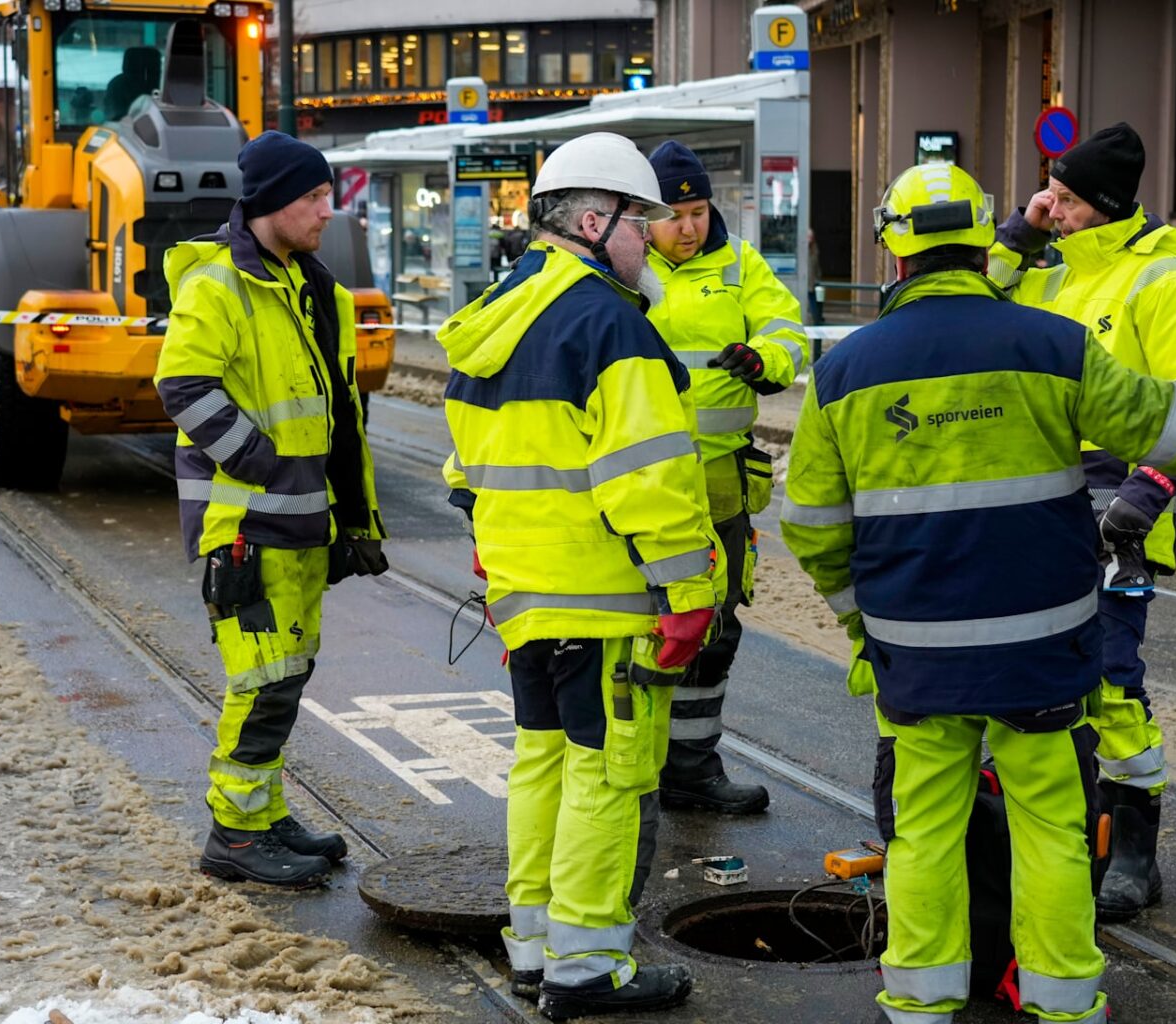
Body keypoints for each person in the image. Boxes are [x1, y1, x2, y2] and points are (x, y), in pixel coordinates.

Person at [781, 160, 1176, 1024]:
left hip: (918, 651)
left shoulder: (845, 372)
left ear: (892, 252)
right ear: (986, 243)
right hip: (1044, 647)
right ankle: (1061, 1003)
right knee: (1053, 824)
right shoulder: (1052, 345)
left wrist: (861, 622)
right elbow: (1173, 427)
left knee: (923, 829)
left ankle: (918, 1001)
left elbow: (812, 526)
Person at [440, 131, 722, 1020]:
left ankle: (533, 948)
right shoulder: (607, 320)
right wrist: (689, 593)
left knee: (542, 766)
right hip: (606, 600)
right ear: (595, 221)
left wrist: (505, 566)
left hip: (526, 597)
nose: (655, 241)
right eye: (643, 222)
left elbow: (466, 472)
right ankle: (588, 967)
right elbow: (653, 480)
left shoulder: (498, 311)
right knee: (606, 778)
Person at [984, 122, 1176, 921]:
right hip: (1046, 508)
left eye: (1068, 199)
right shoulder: (1055, 275)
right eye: (1052, 194)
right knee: (1044, 683)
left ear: (1107, 206)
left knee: (1112, 683)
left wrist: (1147, 495)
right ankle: (1070, 832)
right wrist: (1019, 232)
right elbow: (974, 300)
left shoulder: (1164, 280)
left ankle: (1134, 854)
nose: (1056, 208)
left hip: (1122, 511)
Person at [154, 130, 389, 888]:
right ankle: (235, 835)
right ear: (271, 204)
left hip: (297, 524)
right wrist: (265, 465)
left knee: (284, 673)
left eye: (327, 195)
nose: (329, 210)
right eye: (314, 197)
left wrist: (353, 518)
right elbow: (184, 388)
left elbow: (339, 411)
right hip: (248, 526)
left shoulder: (308, 283)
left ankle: (263, 814)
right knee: (260, 682)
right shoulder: (218, 283)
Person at [640, 139, 808, 815]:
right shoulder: (620, 270)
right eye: (673, 216)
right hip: (641, 486)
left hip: (719, 486)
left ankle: (689, 768)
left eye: (700, 212)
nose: (688, 227)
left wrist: (762, 357)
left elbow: (788, 333)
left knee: (713, 630)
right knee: (643, 627)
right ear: (642, 218)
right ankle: (634, 768)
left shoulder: (741, 265)